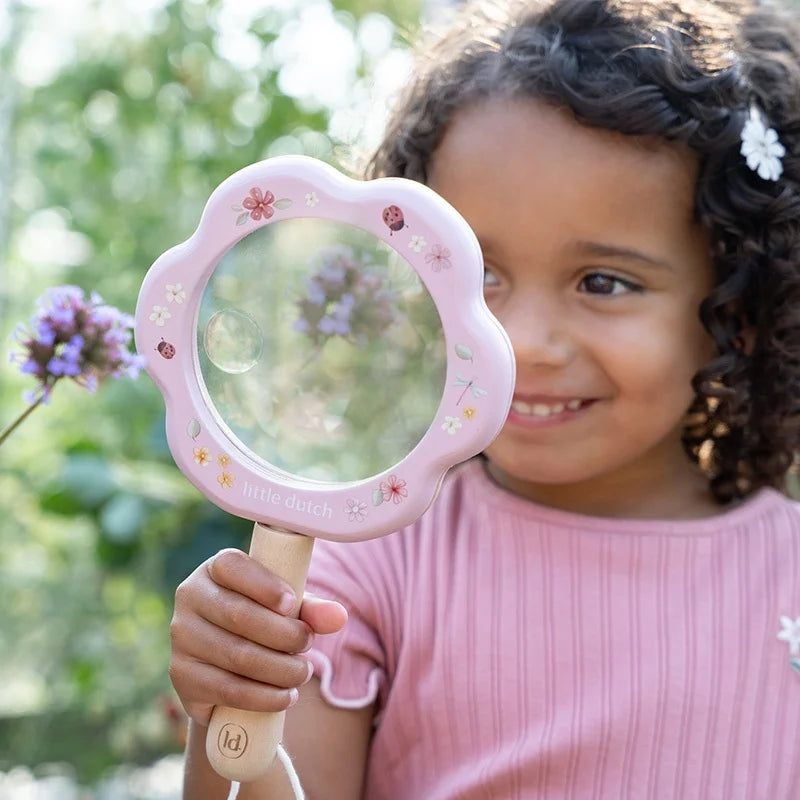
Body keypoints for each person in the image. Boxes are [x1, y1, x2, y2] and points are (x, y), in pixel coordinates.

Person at [168, 0, 800, 797]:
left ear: (737, 310)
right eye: (481, 274)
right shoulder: (369, 563)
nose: (521, 342)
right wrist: (229, 712)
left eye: (603, 282)